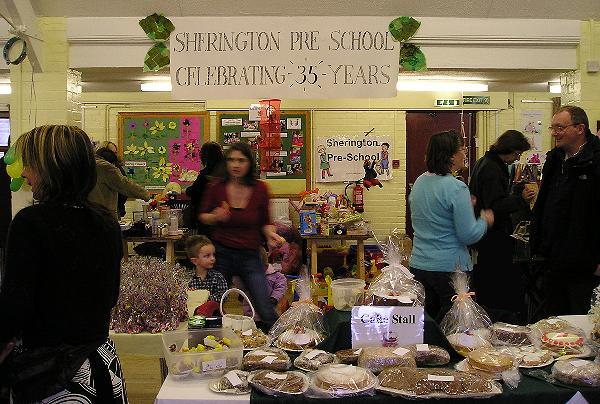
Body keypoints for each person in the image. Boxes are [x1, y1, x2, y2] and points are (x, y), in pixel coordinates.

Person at [0, 125, 127, 403]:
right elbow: (110, 296)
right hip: (100, 366)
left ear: (50, 168)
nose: (23, 173)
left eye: (29, 164)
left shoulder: (30, 223)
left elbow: (15, 306)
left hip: (51, 375)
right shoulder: (105, 222)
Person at [409, 130, 494, 322]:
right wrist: (484, 220)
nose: (465, 154)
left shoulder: (420, 182)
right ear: (450, 156)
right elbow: (469, 236)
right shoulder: (456, 187)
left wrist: (463, 206)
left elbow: (432, 214)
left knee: (426, 328)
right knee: (455, 331)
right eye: (462, 150)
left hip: (420, 266)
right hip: (450, 270)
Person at [199, 142, 283, 328]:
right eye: (231, 160)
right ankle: (210, 345)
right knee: (212, 304)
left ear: (249, 163)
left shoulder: (260, 189)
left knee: (264, 305)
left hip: (250, 254)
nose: (235, 165)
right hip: (221, 253)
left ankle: (281, 347)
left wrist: (270, 235)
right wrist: (215, 216)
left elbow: (266, 222)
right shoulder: (216, 187)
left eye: (241, 160)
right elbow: (202, 216)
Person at [532, 106, 600, 316]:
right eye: (553, 128)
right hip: (554, 259)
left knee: (582, 323)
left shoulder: (595, 162)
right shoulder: (554, 160)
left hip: (584, 263)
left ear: (580, 128)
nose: (554, 133)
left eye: (560, 127)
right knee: (555, 322)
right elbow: (545, 204)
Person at [469, 130, 534, 324]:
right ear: (508, 149)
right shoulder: (493, 169)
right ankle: (499, 321)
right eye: (516, 154)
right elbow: (495, 206)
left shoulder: (485, 162)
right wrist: (520, 200)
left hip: (484, 234)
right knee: (496, 286)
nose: (517, 159)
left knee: (488, 283)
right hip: (492, 236)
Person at [88, 150, 151, 220]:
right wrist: (146, 194)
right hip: (104, 217)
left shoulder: (88, 165)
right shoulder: (105, 167)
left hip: (89, 214)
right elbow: (124, 184)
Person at [185, 141, 224, 234]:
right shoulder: (225, 172)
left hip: (206, 216)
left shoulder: (205, 174)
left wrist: (186, 190)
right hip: (222, 216)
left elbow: (193, 191)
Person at [186, 235, 228, 317]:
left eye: (213, 255)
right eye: (207, 256)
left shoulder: (217, 277)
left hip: (214, 315)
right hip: (192, 316)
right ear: (195, 261)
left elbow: (224, 296)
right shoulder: (187, 279)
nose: (213, 258)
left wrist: (202, 297)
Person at [241, 247, 288, 320]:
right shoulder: (248, 274)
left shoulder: (276, 275)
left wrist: (274, 298)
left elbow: (281, 287)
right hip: (250, 314)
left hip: (270, 312)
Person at [96, 145, 128, 218]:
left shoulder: (116, 167)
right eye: (112, 152)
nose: (114, 154)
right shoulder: (108, 168)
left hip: (113, 210)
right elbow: (125, 186)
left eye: (115, 152)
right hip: (106, 212)